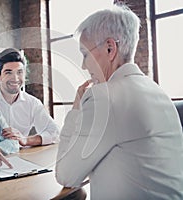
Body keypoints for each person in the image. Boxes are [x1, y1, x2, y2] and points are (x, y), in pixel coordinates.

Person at [55, 4, 183, 200]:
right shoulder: (157, 91)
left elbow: (65, 175)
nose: (83, 64)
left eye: (85, 54)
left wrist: (75, 111)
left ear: (109, 48)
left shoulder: (103, 98)